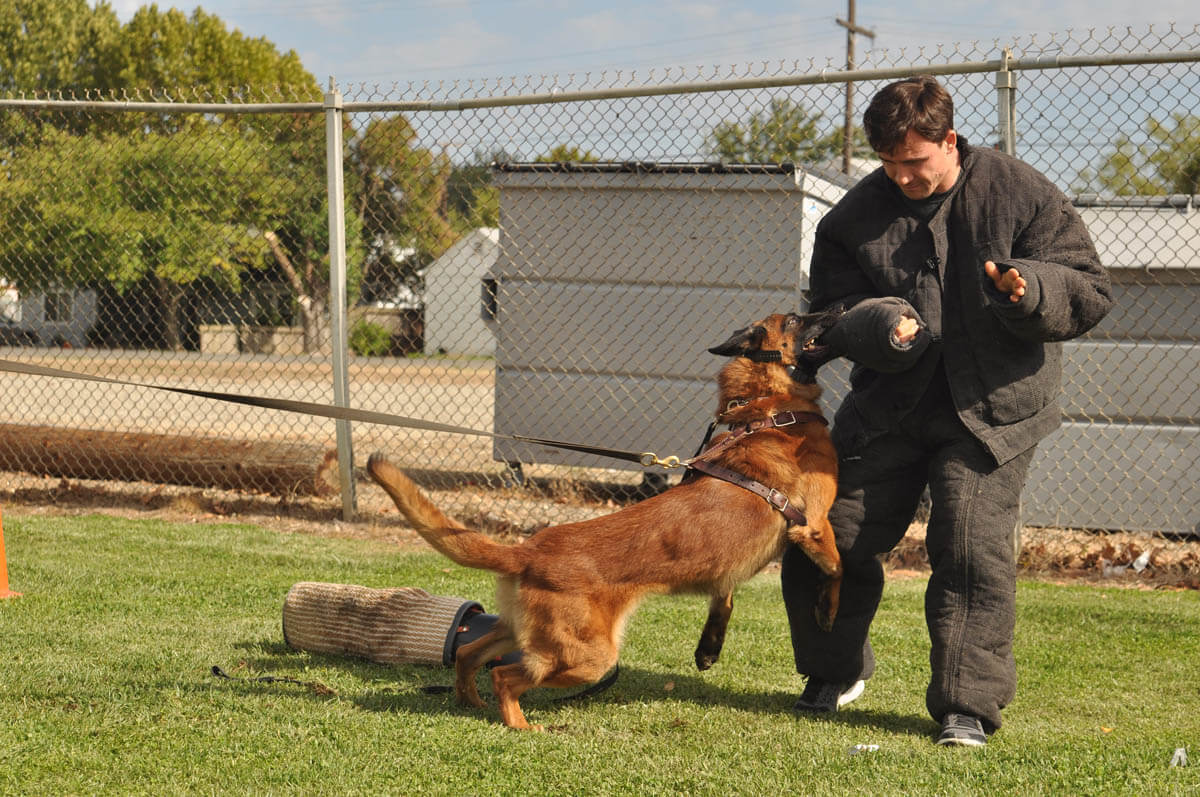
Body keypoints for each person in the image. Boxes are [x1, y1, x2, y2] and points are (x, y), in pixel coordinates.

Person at [780, 75, 1113, 747]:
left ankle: (966, 706)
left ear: (949, 140)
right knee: (825, 535)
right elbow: (832, 311)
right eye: (889, 163)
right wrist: (883, 324)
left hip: (994, 410)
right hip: (890, 408)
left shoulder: (1023, 191)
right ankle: (832, 670)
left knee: (967, 547)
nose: (902, 177)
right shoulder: (853, 219)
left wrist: (1031, 290)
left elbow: (1089, 286)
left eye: (916, 162)